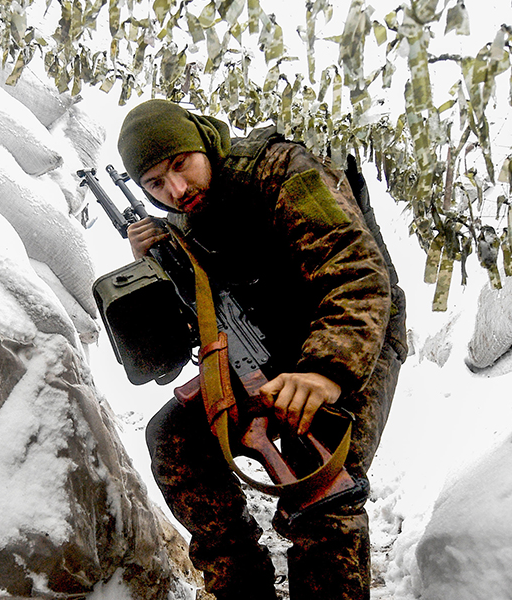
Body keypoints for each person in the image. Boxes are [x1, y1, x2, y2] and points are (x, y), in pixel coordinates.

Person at [116, 99, 408, 599]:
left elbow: (357, 272)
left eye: (181, 165)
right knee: (174, 440)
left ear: (203, 143)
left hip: (354, 337)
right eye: (156, 184)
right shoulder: (183, 225)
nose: (177, 190)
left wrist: (324, 371)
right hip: (262, 352)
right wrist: (156, 269)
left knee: (319, 486)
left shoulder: (282, 170)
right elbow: (189, 338)